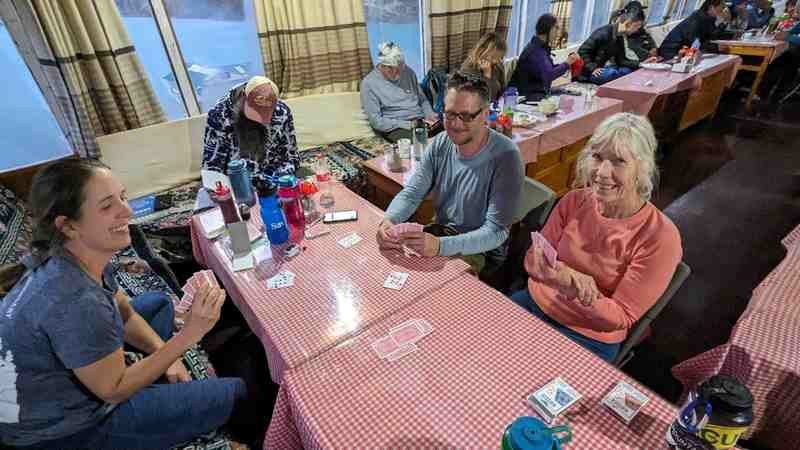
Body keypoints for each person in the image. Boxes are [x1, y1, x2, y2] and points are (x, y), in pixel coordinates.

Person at [0, 159, 246, 449]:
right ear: (67, 225)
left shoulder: (78, 255)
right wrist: (188, 337)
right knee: (237, 391)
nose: (127, 212)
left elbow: (125, 313)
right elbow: (113, 390)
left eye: (123, 197)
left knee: (157, 304)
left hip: (66, 374)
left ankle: (154, 378)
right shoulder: (75, 300)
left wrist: (166, 355)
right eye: (107, 206)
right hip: (65, 431)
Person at [509, 113, 682, 362]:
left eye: (619, 161)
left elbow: (621, 316)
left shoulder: (660, 236)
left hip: (586, 334)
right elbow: (532, 260)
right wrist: (569, 276)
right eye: (598, 157)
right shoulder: (574, 201)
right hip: (533, 302)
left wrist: (566, 283)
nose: (602, 172)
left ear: (642, 168)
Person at [375, 71, 524, 278]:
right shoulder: (440, 143)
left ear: (484, 114)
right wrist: (389, 220)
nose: (455, 124)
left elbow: (495, 232)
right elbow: (411, 194)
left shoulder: (507, 157)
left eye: (466, 116)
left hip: (482, 250)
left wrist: (439, 246)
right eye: (450, 114)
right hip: (442, 233)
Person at [202, 75, 299, 181]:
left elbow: (291, 156)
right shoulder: (219, 115)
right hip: (237, 181)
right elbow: (212, 166)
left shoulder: (282, 112)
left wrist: (278, 179)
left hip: (275, 177)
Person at [360, 42, 440, 143]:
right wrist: (406, 124)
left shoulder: (408, 72)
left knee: (450, 134)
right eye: (390, 68)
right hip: (396, 127)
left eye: (399, 68)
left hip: (421, 121)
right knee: (423, 144)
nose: (396, 73)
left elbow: (422, 99)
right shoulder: (368, 84)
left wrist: (430, 114)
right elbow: (376, 121)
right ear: (382, 65)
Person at [508, 14, 580, 100]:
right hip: (526, 96)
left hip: (537, 92)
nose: (558, 32)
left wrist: (567, 64)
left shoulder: (541, 48)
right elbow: (548, 75)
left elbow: (548, 70)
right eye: (556, 28)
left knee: (566, 93)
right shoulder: (535, 51)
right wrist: (567, 63)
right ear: (547, 28)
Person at [578, 5, 651, 84]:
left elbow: (621, 60)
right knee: (611, 73)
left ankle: (619, 78)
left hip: (604, 68)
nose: (637, 30)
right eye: (636, 26)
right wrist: (593, 68)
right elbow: (582, 50)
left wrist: (641, 64)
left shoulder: (620, 36)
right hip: (590, 72)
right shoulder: (603, 33)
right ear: (628, 23)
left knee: (627, 70)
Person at [659, 0, 732, 60]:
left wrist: (724, 22)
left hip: (686, 51)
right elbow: (695, 42)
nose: (723, 11)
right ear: (711, 7)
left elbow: (712, 36)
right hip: (672, 52)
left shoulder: (709, 19)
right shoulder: (696, 19)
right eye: (721, 8)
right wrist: (715, 47)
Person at [460, 32, 508, 101]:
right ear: (481, 51)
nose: (496, 61)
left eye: (500, 57)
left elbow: (503, 91)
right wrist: (487, 75)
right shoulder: (467, 69)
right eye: (493, 57)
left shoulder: (498, 65)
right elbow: (485, 98)